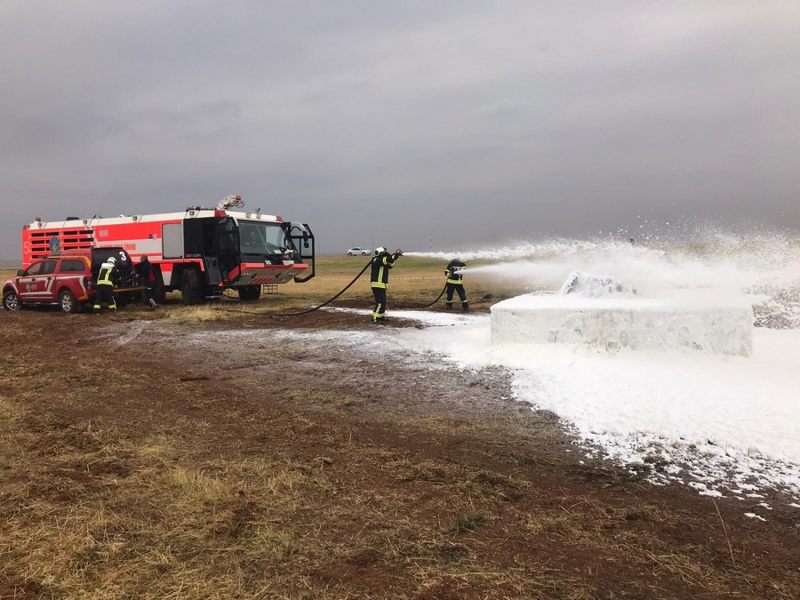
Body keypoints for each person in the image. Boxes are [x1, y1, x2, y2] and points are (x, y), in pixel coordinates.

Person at [370, 246, 402, 324]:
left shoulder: (382, 261)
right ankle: (375, 318)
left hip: (382, 285)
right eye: (384, 252)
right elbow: (387, 259)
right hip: (377, 285)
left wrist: (395, 256)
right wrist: (393, 255)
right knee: (380, 302)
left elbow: (391, 265)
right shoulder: (376, 260)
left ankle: (381, 317)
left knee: (383, 302)